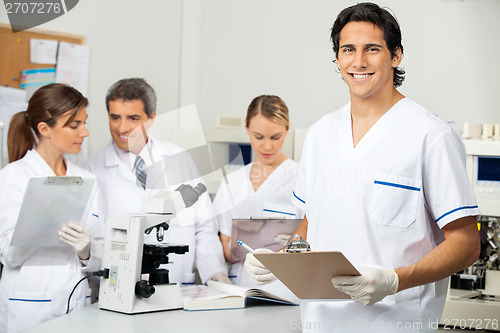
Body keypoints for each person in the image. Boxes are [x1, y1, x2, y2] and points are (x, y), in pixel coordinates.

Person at [245, 3, 480, 332]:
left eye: (372, 49)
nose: (358, 62)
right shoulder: (321, 134)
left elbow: (467, 242)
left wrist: (393, 280)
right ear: (337, 59)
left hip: (397, 323)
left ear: (396, 55)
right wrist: (279, 258)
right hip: (319, 323)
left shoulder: (430, 136)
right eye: (348, 50)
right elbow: (312, 223)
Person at [85, 78, 228, 285]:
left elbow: (203, 227)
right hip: (119, 288)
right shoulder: (91, 171)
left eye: (133, 118)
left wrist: (216, 274)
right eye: (115, 117)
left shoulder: (178, 159)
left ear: (151, 117)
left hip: (177, 285)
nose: (122, 127)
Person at [0, 83, 104, 333]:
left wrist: (86, 251)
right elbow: (8, 255)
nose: (85, 132)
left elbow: (102, 251)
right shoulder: (14, 177)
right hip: (30, 310)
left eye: (85, 122)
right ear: (45, 129)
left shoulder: (86, 179)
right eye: (74, 125)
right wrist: (44, 216)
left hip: (78, 304)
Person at [213, 95, 302, 299]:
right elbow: (224, 245)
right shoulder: (232, 182)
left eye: (276, 137)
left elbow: (312, 242)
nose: (267, 147)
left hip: (286, 290)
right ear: (246, 128)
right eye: (259, 137)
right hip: (238, 290)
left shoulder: (301, 178)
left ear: (288, 129)